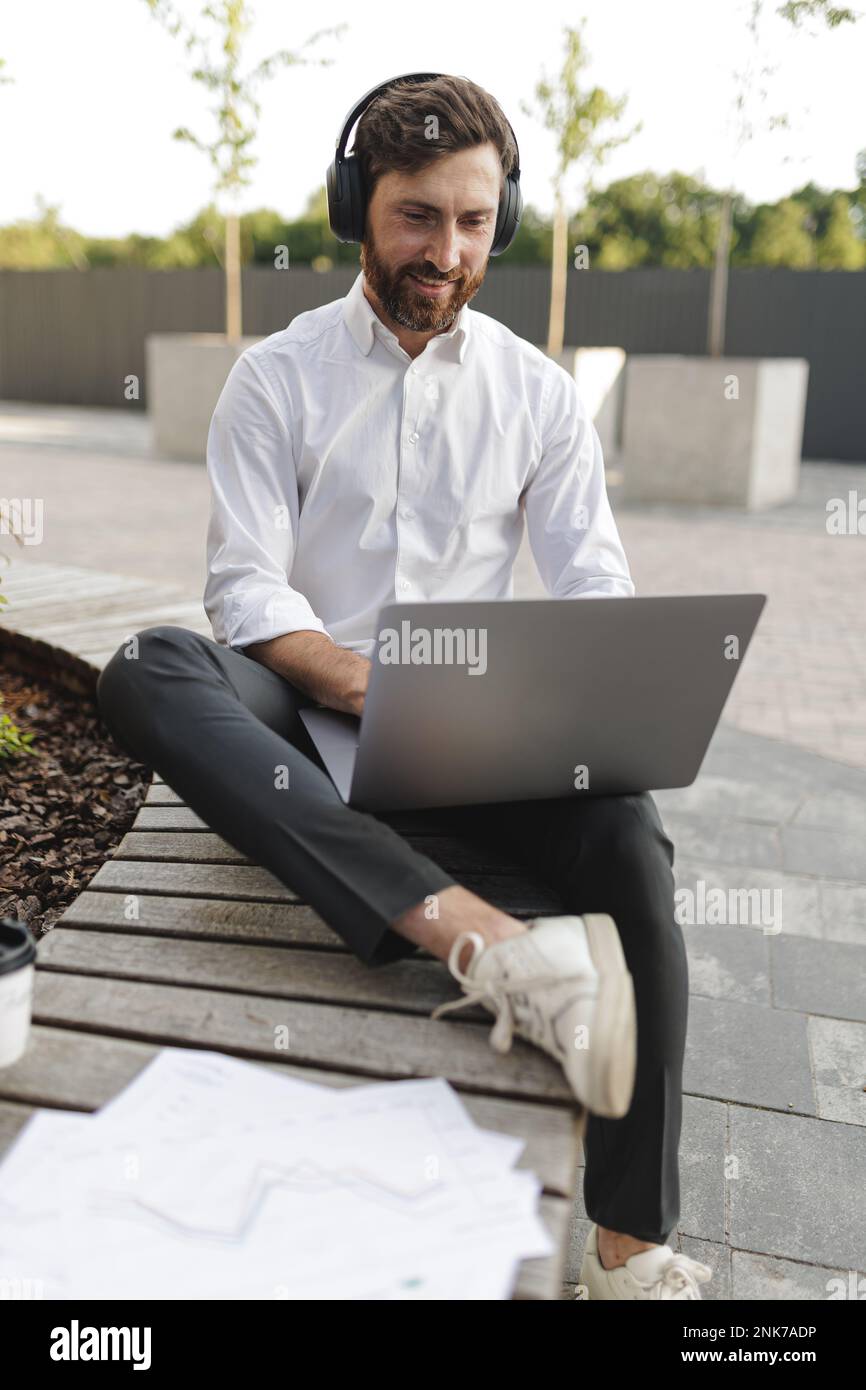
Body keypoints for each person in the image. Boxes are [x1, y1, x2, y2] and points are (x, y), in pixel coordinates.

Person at [96, 73, 710, 1301]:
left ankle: (626, 1243)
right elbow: (245, 589)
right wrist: (364, 683)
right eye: (418, 216)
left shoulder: (537, 395)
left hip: (480, 735)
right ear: (354, 208)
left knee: (628, 838)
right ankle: (482, 945)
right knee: (147, 667)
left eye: (474, 221)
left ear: (506, 221)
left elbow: (593, 581)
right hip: (308, 715)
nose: (447, 250)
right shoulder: (275, 377)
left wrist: (586, 703)